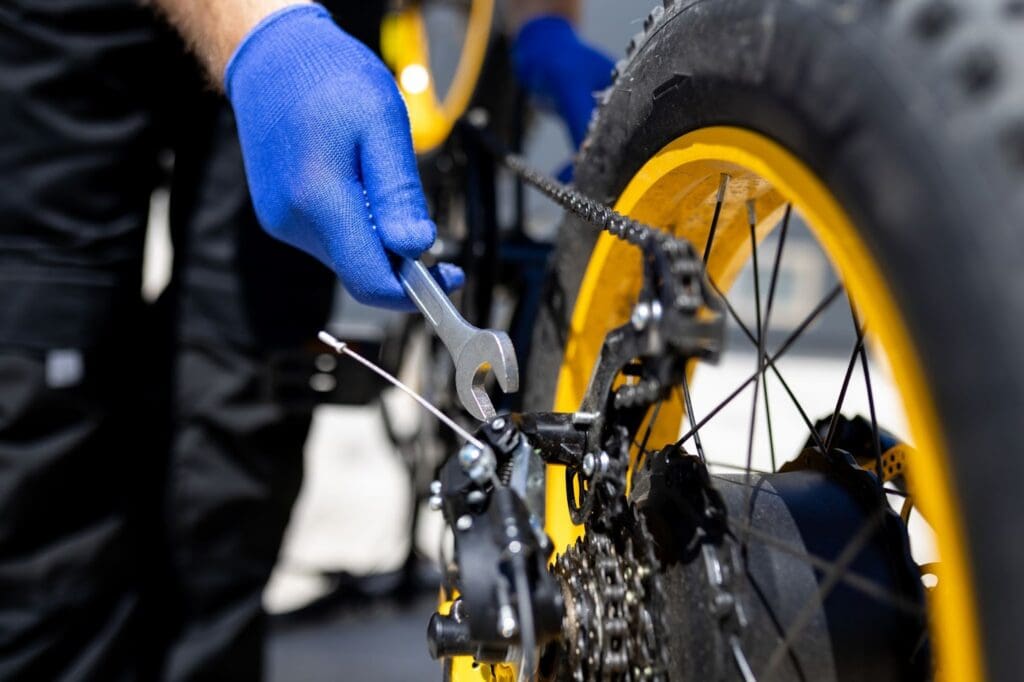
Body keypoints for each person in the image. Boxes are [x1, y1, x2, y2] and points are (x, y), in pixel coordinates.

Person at [0, 0, 612, 678]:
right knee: (46, 397)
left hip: (310, 21)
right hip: (76, 31)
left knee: (242, 401)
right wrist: (261, 30)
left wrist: (541, 19)